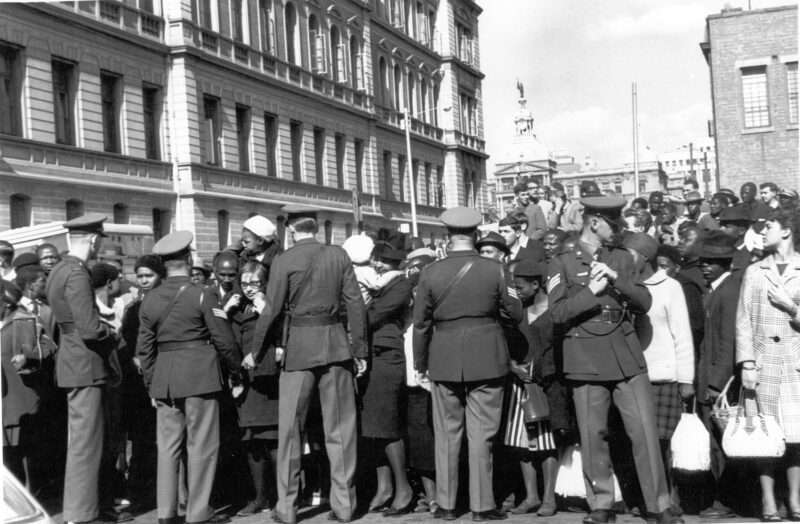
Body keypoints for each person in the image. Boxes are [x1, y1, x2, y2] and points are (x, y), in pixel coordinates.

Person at [548, 197, 680, 524]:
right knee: (593, 437)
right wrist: (590, 292)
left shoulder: (620, 257)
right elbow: (558, 312)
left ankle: (658, 505)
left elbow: (645, 301)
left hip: (625, 353)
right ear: (594, 222)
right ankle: (601, 504)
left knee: (645, 434)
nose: (619, 230)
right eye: (613, 224)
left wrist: (617, 279)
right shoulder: (561, 260)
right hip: (585, 354)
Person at [248, 204, 367, 524]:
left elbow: (271, 310)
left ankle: (287, 509)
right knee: (341, 430)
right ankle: (344, 506)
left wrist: (256, 352)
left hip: (299, 350)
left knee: (290, 431)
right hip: (336, 347)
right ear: (317, 225)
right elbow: (355, 304)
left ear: (289, 229)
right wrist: (360, 350)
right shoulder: (339, 256)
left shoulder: (284, 260)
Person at [413, 206, 522, 522]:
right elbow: (515, 313)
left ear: (448, 237)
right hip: (486, 355)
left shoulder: (430, 272)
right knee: (483, 434)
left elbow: (421, 324)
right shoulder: (495, 269)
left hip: (444, 357)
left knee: (446, 434)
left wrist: (421, 363)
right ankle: (482, 505)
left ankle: (446, 505)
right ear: (476, 235)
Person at [136, 230, 242, 524]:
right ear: (188, 258)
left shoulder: (150, 298)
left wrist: (151, 384)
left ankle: (167, 513)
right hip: (199, 374)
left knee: (168, 448)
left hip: (165, 379)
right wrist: (236, 371)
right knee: (202, 445)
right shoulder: (202, 293)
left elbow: (144, 349)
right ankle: (197, 512)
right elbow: (223, 339)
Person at [45, 213, 117, 524]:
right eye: (100, 238)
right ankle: (82, 513)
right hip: (85, 362)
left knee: (81, 440)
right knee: (87, 443)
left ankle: (80, 510)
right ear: (93, 239)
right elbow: (88, 328)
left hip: (71, 360)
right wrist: (110, 332)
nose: (100, 243)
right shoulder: (77, 273)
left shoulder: (59, 270)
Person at [737, 209, 800, 522]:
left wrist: (791, 307)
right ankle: (768, 501)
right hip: (763, 365)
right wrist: (747, 361)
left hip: (795, 363)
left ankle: (795, 500)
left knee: (795, 436)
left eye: (769, 227)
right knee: (765, 435)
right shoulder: (755, 271)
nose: (763, 232)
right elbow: (743, 320)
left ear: (786, 231)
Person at [624, 233, 694, 512]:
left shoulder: (670, 286)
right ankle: (643, 499)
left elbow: (683, 335)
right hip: (632, 375)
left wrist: (686, 379)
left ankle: (666, 500)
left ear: (643, 256)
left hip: (663, 377)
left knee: (663, 443)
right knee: (639, 441)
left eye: (629, 253)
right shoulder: (626, 285)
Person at [503, 260, 571, 518]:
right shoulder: (516, 311)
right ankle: (531, 496)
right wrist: (511, 365)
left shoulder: (554, 312)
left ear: (536, 284)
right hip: (520, 384)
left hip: (546, 384)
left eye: (520, 287)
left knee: (546, 442)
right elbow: (507, 343)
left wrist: (540, 371)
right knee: (521, 443)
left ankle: (548, 497)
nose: (517, 292)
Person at [360, 234, 415, 517]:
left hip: (386, 358)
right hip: (371, 358)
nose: (378, 264)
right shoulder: (373, 284)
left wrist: (352, 314)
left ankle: (403, 488)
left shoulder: (400, 284)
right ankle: (384, 487)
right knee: (373, 428)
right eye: (376, 259)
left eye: (384, 261)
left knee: (387, 424)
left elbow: (375, 315)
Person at [694, 231, 741, 518]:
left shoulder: (729, 290)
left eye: (713, 261)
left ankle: (726, 501)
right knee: (715, 444)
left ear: (726, 262)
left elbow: (728, 342)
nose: (705, 265)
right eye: (703, 260)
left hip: (718, 384)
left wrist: (716, 383)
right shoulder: (715, 290)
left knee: (724, 445)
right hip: (707, 379)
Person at [228, 262, 279, 517]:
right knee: (251, 440)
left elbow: (281, 333)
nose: (249, 288)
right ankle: (260, 497)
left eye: (255, 283)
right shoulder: (236, 304)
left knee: (273, 438)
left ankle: (281, 497)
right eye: (245, 283)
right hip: (243, 379)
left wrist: (268, 311)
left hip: (266, 377)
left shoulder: (271, 303)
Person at [119, 255, 165, 512]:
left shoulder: (166, 304)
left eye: (149, 275)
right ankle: (141, 495)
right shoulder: (133, 308)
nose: (144, 280)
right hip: (139, 385)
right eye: (141, 276)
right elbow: (127, 341)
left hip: (162, 377)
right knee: (142, 440)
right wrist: (136, 361)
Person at [1, 279, 56, 490]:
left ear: (5, 302)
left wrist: (28, 356)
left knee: (23, 456)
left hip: (20, 400)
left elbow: (49, 346)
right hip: (2, 402)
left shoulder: (25, 320)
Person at [402, 248, 439, 515]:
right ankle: (430, 495)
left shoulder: (441, 312)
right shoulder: (404, 315)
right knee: (420, 443)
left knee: (443, 440)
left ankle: (448, 493)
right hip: (414, 389)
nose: (417, 293)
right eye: (414, 289)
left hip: (439, 386)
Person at [717, 206, 754, 273]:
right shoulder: (716, 252)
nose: (721, 229)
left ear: (741, 230)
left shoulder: (747, 261)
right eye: (720, 225)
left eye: (726, 226)